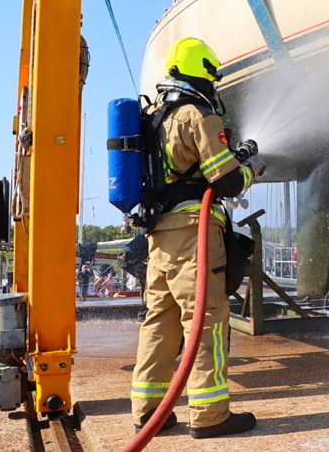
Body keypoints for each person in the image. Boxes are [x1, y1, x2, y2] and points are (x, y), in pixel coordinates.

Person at [130, 37, 266, 439]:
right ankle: (209, 416)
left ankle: (148, 411)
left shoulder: (154, 115)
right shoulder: (197, 114)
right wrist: (252, 167)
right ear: (204, 72)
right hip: (195, 233)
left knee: (160, 321)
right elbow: (224, 180)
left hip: (160, 237)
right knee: (206, 321)